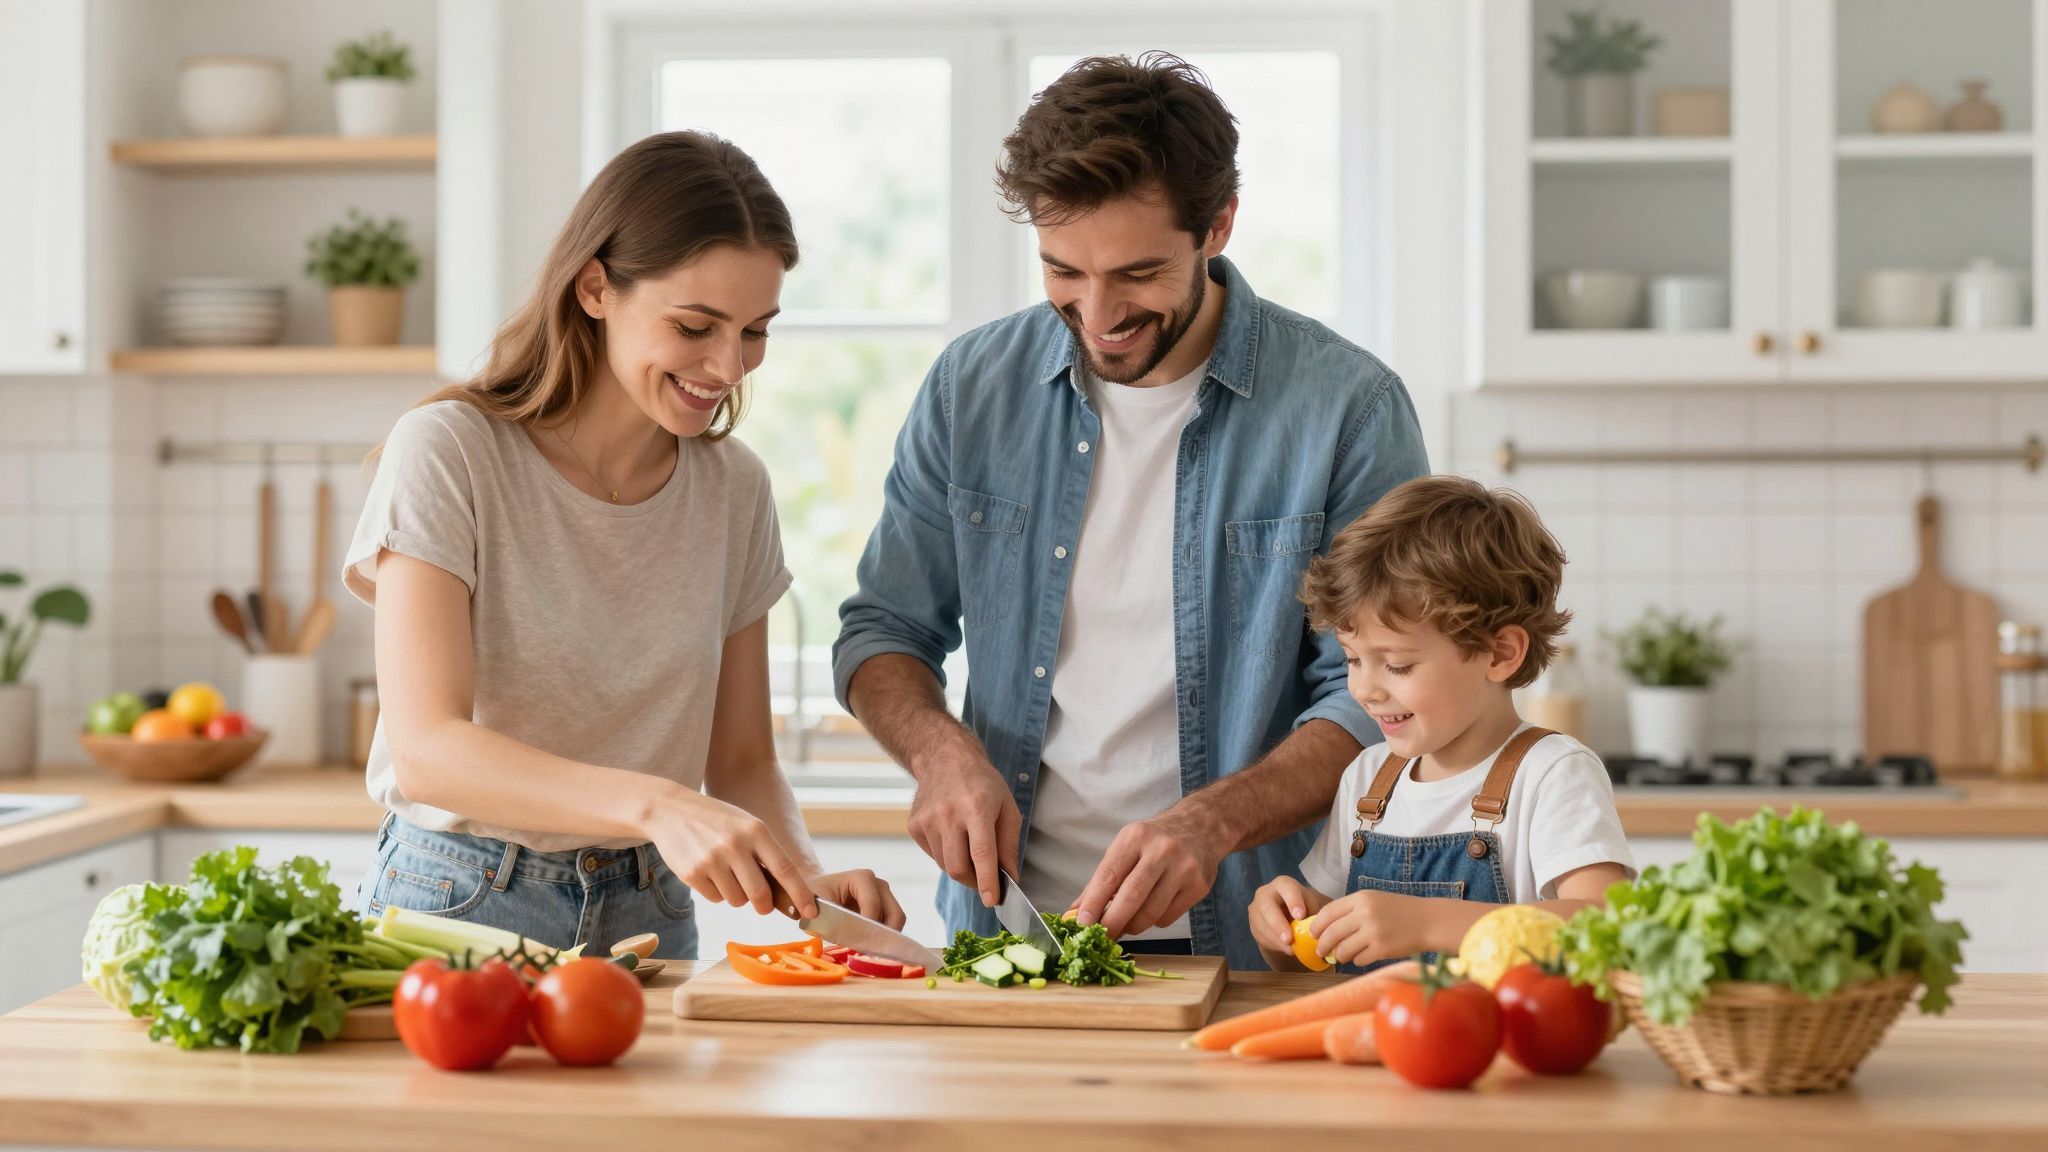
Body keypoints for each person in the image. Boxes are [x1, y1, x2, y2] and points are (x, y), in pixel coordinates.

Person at [833, 53, 1428, 968]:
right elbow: (883, 632)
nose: (1097, 311)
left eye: (1137, 273)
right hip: (1004, 933)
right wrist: (939, 756)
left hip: (1252, 941)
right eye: (1062, 269)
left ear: (1217, 226)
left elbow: (1382, 697)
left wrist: (1214, 821)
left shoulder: (1347, 410)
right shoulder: (972, 388)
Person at [345, 131, 902, 959]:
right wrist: (656, 805)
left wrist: (804, 878)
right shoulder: (450, 450)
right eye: (695, 325)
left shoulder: (732, 489)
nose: (727, 365)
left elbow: (743, 758)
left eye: (755, 331)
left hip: (649, 910)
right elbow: (428, 752)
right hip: (461, 897)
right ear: (596, 287)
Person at [1249, 475, 1635, 973]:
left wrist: (1428, 923)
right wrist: (1286, 930)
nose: (1365, 689)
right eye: (1352, 659)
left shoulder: (1553, 773)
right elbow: (1307, 967)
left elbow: (1606, 929)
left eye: (1397, 665)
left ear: (1499, 654)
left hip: (1502, 1050)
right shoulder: (1367, 779)